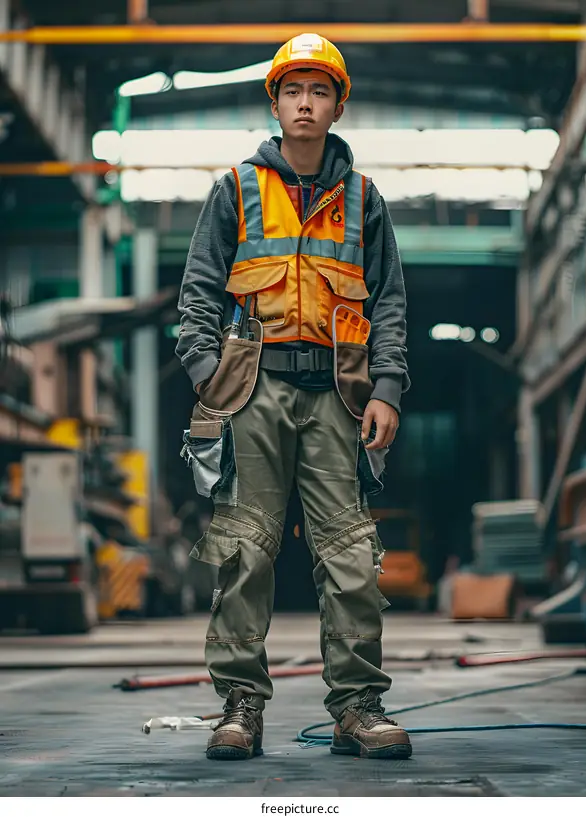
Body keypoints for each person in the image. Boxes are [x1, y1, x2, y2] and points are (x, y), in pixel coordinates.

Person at [175, 32, 410, 761]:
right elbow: (197, 295)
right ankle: (240, 706)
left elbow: (389, 303)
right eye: (293, 91)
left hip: (339, 395)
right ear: (274, 103)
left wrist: (388, 388)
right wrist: (210, 377)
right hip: (256, 393)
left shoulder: (363, 200)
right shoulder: (236, 190)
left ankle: (357, 707)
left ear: (339, 106)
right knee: (245, 548)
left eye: (320, 91)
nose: (306, 103)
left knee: (350, 553)